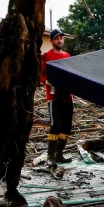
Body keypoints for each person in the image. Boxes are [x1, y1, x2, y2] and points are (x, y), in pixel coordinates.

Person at [40, 29, 74, 168]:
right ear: (51, 41)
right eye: (57, 39)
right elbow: (41, 74)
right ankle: (50, 157)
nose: (60, 41)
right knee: (55, 126)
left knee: (66, 127)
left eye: (61, 38)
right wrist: (47, 81)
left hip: (67, 96)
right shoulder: (46, 56)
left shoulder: (67, 55)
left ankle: (59, 154)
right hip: (54, 97)